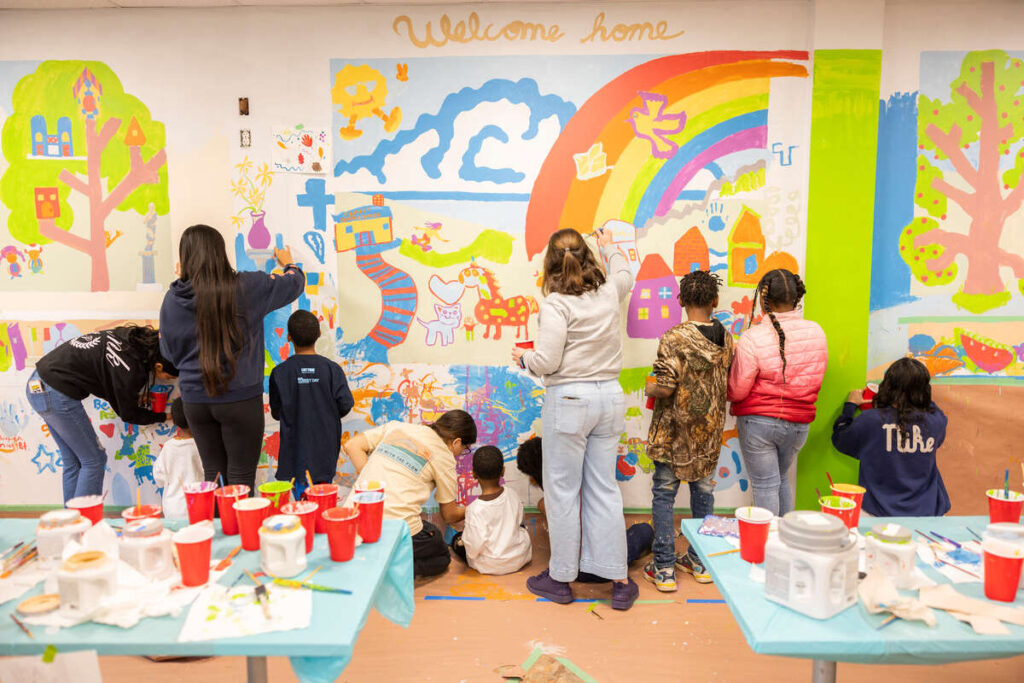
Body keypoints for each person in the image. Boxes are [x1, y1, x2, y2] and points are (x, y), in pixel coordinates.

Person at [511, 227, 638, 610]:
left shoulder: (555, 304)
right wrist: (608, 244)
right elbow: (625, 271)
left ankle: (560, 578)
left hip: (569, 400)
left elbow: (547, 361)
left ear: (550, 262)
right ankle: (619, 580)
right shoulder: (607, 292)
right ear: (586, 257)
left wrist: (523, 359)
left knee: (564, 491)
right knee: (603, 489)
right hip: (609, 398)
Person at [159, 225, 304, 490]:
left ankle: (217, 532)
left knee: (213, 476)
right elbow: (294, 284)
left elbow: (169, 354)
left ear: (184, 258)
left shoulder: (173, 298)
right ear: (219, 253)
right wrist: (290, 264)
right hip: (240, 399)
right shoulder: (247, 286)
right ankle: (241, 531)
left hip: (195, 401)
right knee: (240, 478)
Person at [643, 270, 734, 592]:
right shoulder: (726, 336)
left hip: (673, 434)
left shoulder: (674, 338)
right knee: (704, 493)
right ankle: (699, 561)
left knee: (665, 494)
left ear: (680, 301)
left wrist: (649, 386)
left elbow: (665, 387)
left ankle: (665, 567)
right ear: (715, 301)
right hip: (707, 433)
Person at [26, 325, 177, 502]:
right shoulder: (131, 370)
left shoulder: (128, 338)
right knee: (94, 461)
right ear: (158, 366)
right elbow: (128, 414)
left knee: (73, 461)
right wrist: (164, 416)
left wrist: (129, 396)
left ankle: (73, 523)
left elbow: (108, 374)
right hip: (56, 392)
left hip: (37, 383)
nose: (169, 380)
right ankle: (86, 521)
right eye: (170, 377)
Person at [728, 268, 826, 516]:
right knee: (780, 479)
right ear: (796, 298)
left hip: (759, 424)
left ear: (764, 300)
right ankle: (783, 542)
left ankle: (765, 550)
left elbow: (738, 391)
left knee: (765, 485)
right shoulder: (817, 332)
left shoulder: (752, 338)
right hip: (799, 425)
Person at [343, 409, 476, 577]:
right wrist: (476, 506)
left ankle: (372, 555)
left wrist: (372, 489)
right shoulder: (445, 457)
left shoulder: (398, 427)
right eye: (465, 449)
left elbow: (352, 445)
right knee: (441, 555)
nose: (461, 453)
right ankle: (382, 571)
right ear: (457, 442)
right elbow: (449, 515)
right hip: (391, 528)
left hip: (355, 519)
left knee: (426, 527)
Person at [515, 436, 652, 583]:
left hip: (572, 571)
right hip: (607, 568)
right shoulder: (584, 479)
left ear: (533, 477)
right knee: (644, 530)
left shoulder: (548, 503)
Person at [831, 357, 950, 517]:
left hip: (877, 512)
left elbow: (841, 439)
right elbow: (930, 408)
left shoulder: (870, 420)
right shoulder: (936, 421)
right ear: (925, 390)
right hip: (928, 512)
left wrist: (850, 406)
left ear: (887, 386)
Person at [269, 310, 354, 495]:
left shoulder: (279, 373)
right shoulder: (332, 370)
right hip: (325, 450)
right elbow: (345, 404)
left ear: (289, 337)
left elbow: (276, 412)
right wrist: (326, 412)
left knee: (302, 504)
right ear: (319, 335)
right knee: (322, 499)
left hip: (294, 452)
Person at [449, 446, 532, 575]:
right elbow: (520, 521)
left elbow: (472, 550)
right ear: (503, 471)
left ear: (473, 474)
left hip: (490, 565)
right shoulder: (512, 494)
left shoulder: (474, 509)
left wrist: (464, 538)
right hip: (520, 557)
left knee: (457, 540)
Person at [153, 398, 204, 519]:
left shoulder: (168, 447)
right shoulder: (203, 446)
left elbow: (159, 478)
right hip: (199, 507)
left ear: (174, 422)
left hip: (172, 509)